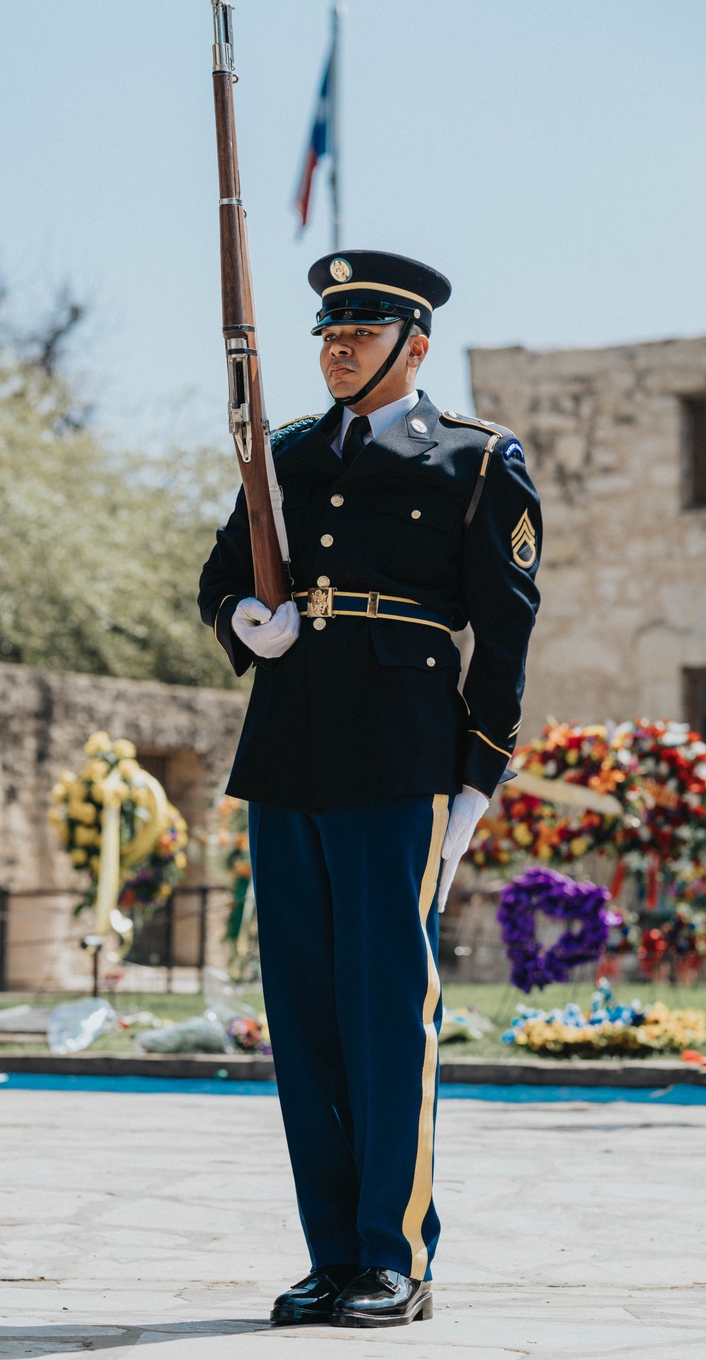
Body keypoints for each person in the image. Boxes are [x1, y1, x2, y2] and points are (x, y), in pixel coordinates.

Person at [198, 250, 541, 1329]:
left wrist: (476, 781)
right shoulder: (284, 455)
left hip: (402, 759)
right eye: (326, 334)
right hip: (288, 751)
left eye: (358, 333)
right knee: (302, 1014)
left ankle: (394, 1258)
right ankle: (331, 1253)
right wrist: (241, 621)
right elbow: (221, 573)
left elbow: (506, 635)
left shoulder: (477, 462)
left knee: (386, 1010)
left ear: (414, 345)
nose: (335, 349)